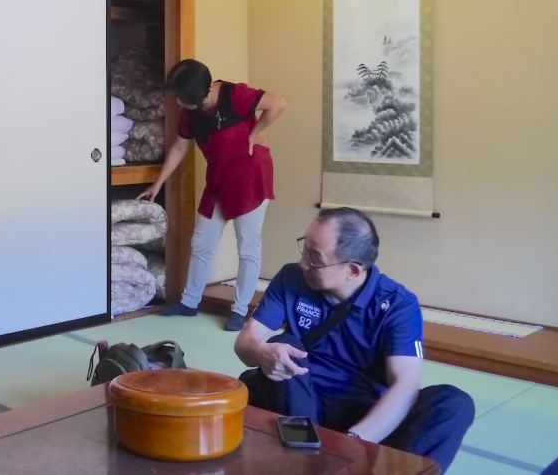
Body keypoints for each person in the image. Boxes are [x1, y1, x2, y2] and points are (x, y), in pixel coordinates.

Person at [234, 207, 474, 472]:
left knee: (453, 403)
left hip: (366, 418)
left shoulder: (397, 305)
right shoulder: (291, 278)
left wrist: (352, 441)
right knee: (286, 344)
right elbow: (245, 343)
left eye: (315, 258)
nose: (303, 263)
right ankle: (309, 460)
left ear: (353, 270)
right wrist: (261, 352)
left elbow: (404, 386)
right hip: (298, 406)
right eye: (304, 249)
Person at [138, 59, 286, 330]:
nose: (178, 102)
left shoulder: (235, 95)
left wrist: (255, 132)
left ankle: (240, 310)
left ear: (199, 94)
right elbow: (180, 147)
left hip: (250, 179)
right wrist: (158, 183)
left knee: (248, 247)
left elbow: (277, 103)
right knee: (201, 242)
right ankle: (189, 302)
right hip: (218, 179)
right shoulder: (190, 111)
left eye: (182, 97)